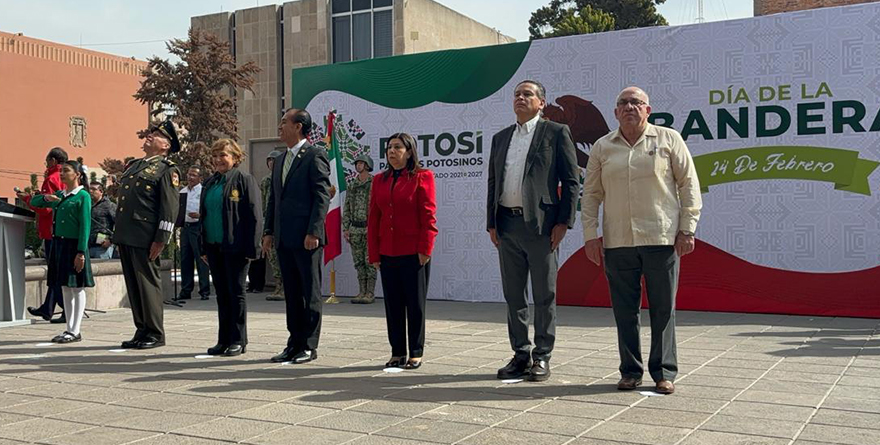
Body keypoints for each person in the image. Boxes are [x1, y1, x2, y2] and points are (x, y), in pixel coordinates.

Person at [582, 86, 702, 395]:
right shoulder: (602, 147)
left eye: (636, 102)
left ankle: (664, 372)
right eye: (623, 103)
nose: (629, 107)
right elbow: (591, 194)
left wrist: (687, 228)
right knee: (625, 310)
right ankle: (630, 371)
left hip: (660, 237)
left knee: (663, 308)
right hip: (618, 240)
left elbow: (689, 184)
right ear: (615, 112)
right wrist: (590, 236)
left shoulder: (668, 139)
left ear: (648, 110)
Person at [486, 80, 579, 382]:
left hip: (541, 227)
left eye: (527, 94)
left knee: (543, 295)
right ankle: (520, 354)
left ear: (541, 102)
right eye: (516, 94)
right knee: (514, 296)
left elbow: (572, 181)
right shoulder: (501, 138)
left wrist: (564, 223)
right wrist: (491, 222)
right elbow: (493, 182)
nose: (520, 98)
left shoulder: (555, 133)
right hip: (507, 225)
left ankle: (542, 356)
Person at [263, 109, 331, 364]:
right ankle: (293, 342)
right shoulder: (280, 159)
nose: (280, 127)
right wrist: (269, 231)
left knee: (309, 291)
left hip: (306, 237)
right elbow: (274, 200)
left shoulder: (315, 155)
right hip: (283, 237)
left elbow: (322, 196)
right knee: (291, 293)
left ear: (299, 126)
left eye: (284, 122)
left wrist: (314, 230)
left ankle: (309, 345)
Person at [368, 134, 438, 369]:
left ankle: (415, 351)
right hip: (387, 252)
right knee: (393, 304)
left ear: (409, 152)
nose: (392, 151)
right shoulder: (379, 180)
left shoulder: (422, 177)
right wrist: (374, 254)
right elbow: (374, 218)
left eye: (398, 147)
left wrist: (425, 248)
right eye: (389, 148)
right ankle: (397, 351)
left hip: (413, 252)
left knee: (415, 304)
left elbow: (429, 215)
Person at [113, 120, 181, 350]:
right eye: (151, 133)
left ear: (166, 146)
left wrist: (162, 238)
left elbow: (169, 207)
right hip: (126, 232)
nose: (150, 136)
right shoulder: (134, 165)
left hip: (145, 235)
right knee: (134, 284)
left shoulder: (166, 169)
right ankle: (141, 328)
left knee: (147, 282)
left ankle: (154, 332)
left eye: (157, 135)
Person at [200, 139, 262, 356]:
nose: (218, 160)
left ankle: (238, 339)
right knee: (222, 293)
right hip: (214, 247)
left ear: (235, 158)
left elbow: (254, 215)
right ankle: (223, 339)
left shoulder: (244, 180)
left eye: (223, 155)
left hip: (235, 247)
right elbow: (204, 215)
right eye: (215, 156)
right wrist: (203, 248)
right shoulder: (210, 183)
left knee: (236, 293)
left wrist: (253, 248)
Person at [29, 160, 94, 343]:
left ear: (77, 175)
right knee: (65, 286)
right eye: (61, 171)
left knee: (77, 288)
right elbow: (35, 202)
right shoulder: (61, 195)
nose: (62, 174)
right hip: (59, 244)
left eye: (66, 171)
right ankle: (68, 329)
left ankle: (76, 329)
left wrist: (81, 252)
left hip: (74, 246)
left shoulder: (82, 196)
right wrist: (47, 198)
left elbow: (85, 226)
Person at [21, 147, 68, 324]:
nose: (46, 164)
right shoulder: (65, 178)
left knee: (56, 273)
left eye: (47, 161)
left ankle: (65, 308)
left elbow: (46, 208)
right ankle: (48, 308)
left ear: (53, 161)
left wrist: (28, 200)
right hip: (62, 230)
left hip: (51, 231)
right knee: (57, 272)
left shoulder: (52, 178)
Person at [344, 154, 377, 304]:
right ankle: (361, 291)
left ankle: (370, 293)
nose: (358, 166)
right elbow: (347, 207)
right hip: (355, 229)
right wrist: (346, 228)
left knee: (370, 261)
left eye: (361, 163)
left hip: (369, 228)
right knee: (359, 262)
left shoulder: (374, 182)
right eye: (357, 163)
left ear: (367, 165)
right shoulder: (352, 185)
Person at [251, 150, 284, 298]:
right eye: (269, 160)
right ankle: (278, 286)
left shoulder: (285, 178)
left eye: (274, 160)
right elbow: (264, 202)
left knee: (283, 257)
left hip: (283, 223)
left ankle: (284, 287)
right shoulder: (265, 181)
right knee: (272, 256)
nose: (271, 163)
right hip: (268, 222)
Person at [177, 166, 211, 301]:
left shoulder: (203, 191)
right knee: (185, 259)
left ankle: (204, 290)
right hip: (185, 227)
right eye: (189, 174)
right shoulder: (183, 191)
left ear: (199, 178)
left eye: (193, 175)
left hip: (198, 227)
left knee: (200, 258)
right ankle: (186, 290)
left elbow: (209, 210)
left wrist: (200, 215)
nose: (190, 178)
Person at [88, 182, 117, 259]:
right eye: (89, 189)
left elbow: (120, 224)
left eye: (94, 189)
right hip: (88, 246)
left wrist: (111, 240)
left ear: (101, 192)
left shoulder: (109, 205)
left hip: (103, 247)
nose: (90, 191)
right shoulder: (88, 205)